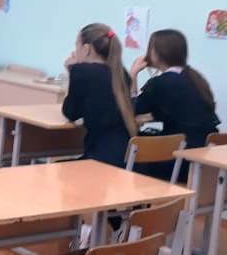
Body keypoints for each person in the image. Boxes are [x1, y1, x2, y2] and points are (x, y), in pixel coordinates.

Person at [130, 29, 220, 182]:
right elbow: (181, 111)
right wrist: (151, 116)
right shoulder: (195, 78)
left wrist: (133, 74)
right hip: (203, 159)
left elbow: (132, 108)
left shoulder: (161, 82)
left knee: (130, 153)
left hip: (178, 161)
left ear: (156, 53)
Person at [61, 24, 137, 167]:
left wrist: (71, 71)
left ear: (86, 49)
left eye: (77, 46)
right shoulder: (122, 73)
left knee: (53, 170)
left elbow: (71, 113)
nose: (75, 51)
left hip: (100, 159)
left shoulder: (81, 71)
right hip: (125, 157)